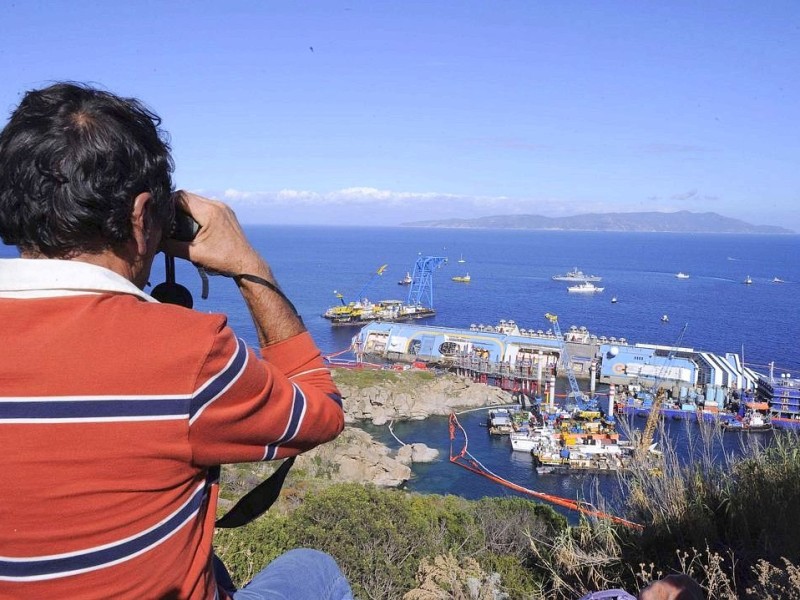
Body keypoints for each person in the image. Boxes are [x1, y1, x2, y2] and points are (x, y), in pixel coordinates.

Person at [0, 82, 353, 599]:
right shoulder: (189, 353)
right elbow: (322, 409)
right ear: (144, 216)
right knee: (313, 569)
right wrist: (248, 266)